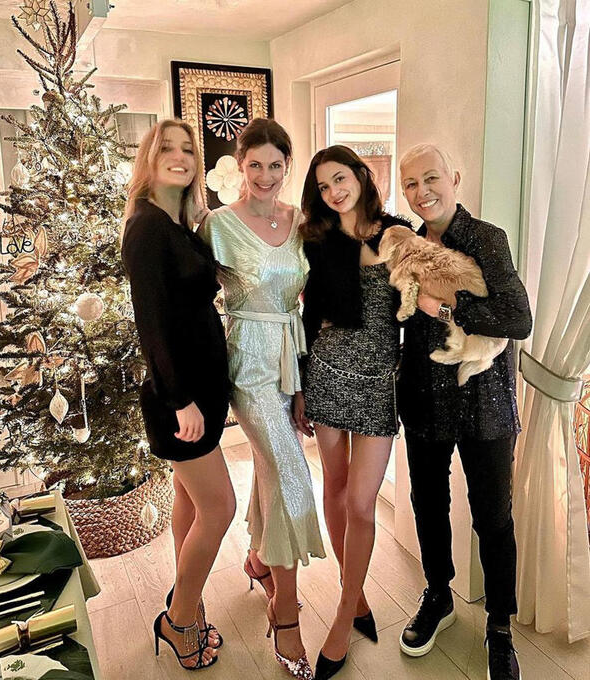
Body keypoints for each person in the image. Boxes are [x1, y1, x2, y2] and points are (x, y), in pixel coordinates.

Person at [397, 143, 532, 680]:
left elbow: (517, 318)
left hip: (484, 399)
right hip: (423, 398)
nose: (422, 191)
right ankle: (438, 594)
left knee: (493, 517)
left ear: (454, 178)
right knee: (427, 504)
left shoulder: (486, 239)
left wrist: (447, 302)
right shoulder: (407, 246)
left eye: (431, 178)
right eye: (411, 183)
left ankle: (499, 626)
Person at [200, 118, 324, 680]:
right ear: (240, 165)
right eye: (256, 165)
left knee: (271, 467)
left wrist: (305, 378)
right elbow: (189, 296)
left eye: (276, 165)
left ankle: (258, 558)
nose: (266, 176)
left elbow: (314, 294)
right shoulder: (218, 224)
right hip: (247, 359)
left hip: (290, 354)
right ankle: (286, 612)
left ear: (287, 166)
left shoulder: (301, 221)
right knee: (292, 472)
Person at [121, 119, 236, 671]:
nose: (180, 156)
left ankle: (187, 596)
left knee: (190, 502)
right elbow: (151, 324)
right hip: (181, 396)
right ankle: (179, 619)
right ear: (149, 158)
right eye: (167, 147)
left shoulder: (178, 224)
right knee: (221, 507)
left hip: (202, 388)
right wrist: (179, 400)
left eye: (188, 149)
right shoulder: (146, 227)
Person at [297, 145, 412, 680]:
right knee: (337, 486)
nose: (334, 192)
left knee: (363, 504)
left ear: (362, 176)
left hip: (378, 385)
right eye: (323, 187)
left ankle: (343, 615)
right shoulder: (317, 240)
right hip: (326, 374)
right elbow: (306, 315)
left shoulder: (397, 233)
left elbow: (422, 298)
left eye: (339, 179)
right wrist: (300, 384)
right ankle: (356, 593)